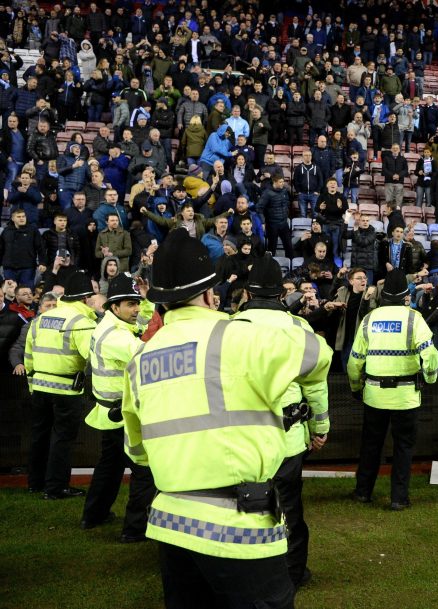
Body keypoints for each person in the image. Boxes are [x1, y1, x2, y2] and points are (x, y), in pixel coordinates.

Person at [121, 228, 331, 608]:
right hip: (239, 528)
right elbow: (318, 354)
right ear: (209, 294)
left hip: (171, 524)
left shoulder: (140, 360)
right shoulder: (238, 337)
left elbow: (136, 451)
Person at [234, 257, 333, 588]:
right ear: (281, 294)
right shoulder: (299, 329)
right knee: (289, 508)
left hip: (241, 437)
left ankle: (251, 571)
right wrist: (320, 429)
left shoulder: (227, 327)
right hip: (287, 439)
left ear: (248, 292)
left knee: (245, 507)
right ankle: (291, 575)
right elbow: (315, 388)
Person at [347, 270, 438, 510]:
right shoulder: (414, 319)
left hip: (374, 395)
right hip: (405, 398)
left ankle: (362, 492)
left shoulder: (369, 319)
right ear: (405, 294)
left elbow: (354, 360)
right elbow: (430, 355)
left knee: (370, 445)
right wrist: (429, 378)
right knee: (403, 447)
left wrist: (357, 387)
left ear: (383, 293)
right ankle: (399, 498)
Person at [80, 273, 157, 541]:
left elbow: (141, 322)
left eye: (136, 302)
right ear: (114, 307)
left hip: (109, 414)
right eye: (131, 304)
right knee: (144, 472)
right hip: (123, 415)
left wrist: (145, 299)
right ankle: (135, 530)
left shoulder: (112, 326)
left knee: (109, 468)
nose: (136, 309)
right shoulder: (117, 337)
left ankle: (93, 515)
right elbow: (150, 357)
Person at [25, 271, 98, 498]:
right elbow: (92, 357)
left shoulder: (40, 319)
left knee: (40, 435)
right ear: (85, 298)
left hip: (38, 387)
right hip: (66, 389)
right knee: (62, 438)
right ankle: (56, 487)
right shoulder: (82, 322)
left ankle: (35, 482)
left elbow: (28, 355)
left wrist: (31, 383)